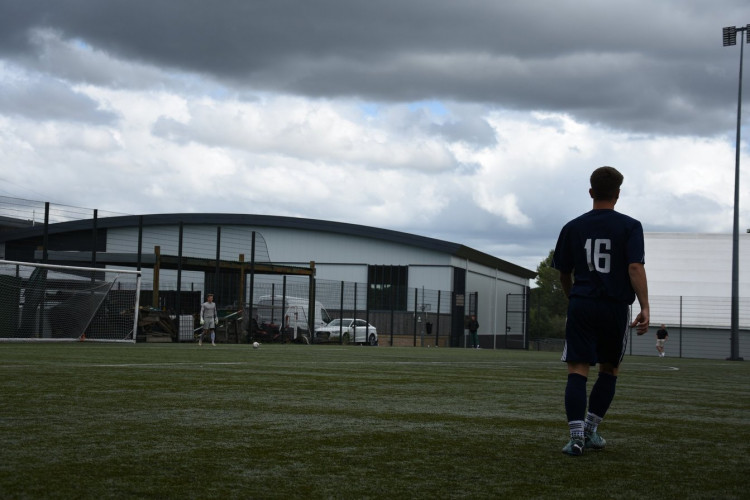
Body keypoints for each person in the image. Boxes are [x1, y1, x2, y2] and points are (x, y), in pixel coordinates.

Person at [552, 166, 650, 456]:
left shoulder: (572, 227)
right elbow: (635, 266)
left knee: (577, 370)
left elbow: (563, 273)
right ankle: (591, 431)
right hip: (614, 307)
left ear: (591, 192)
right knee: (609, 369)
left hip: (582, 303)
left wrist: (574, 299)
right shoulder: (631, 226)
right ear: (617, 194)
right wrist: (645, 306)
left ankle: (576, 438)